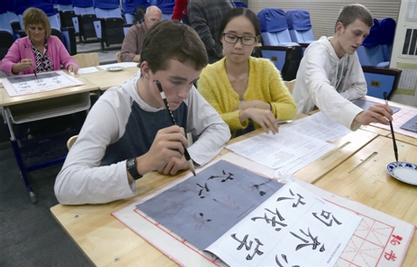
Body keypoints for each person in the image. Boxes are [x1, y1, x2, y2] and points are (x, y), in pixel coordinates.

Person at [54, 21, 231, 205]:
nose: (184, 94)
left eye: (192, 82)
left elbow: (219, 128)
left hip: (164, 198)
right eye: (176, 81)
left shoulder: (186, 91)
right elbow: (65, 185)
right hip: (117, 211)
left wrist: (189, 158)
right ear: (146, 70)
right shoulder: (114, 104)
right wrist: (142, 164)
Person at [197, 8, 296, 137]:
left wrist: (261, 106)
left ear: (256, 41)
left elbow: (291, 108)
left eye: (247, 38)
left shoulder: (266, 68)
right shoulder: (207, 76)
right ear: (221, 38)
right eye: (231, 37)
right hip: (224, 148)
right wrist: (245, 113)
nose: (238, 46)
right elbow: (209, 123)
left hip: (265, 143)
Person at [292, 4, 392, 130]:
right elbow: (319, 88)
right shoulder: (316, 51)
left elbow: (360, 88)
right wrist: (357, 114)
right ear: (340, 28)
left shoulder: (349, 52)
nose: (360, 42)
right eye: (357, 33)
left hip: (327, 118)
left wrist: (333, 102)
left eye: (364, 36)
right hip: (303, 119)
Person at [0, 7, 78, 75]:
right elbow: (4, 64)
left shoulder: (55, 41)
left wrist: (71, 65)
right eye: (33, 28)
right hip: (31, 86)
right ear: (27, 28)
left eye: (40, 28)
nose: (36, 32)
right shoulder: (19, 44)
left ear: (46, 29)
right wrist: (16, 67)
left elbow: (68, 60)